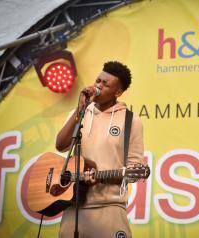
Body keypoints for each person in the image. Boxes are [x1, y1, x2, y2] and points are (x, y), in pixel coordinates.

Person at [55, 61, 144, 238]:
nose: (98, 86)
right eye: (98, 80)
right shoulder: (80, 113)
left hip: (109, 208)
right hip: (74, 206)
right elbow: (60, 145)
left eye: (105, 84)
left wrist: (102, 177)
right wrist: (79, 110)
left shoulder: (130, 120)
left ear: (118, 92)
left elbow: (135, 170)